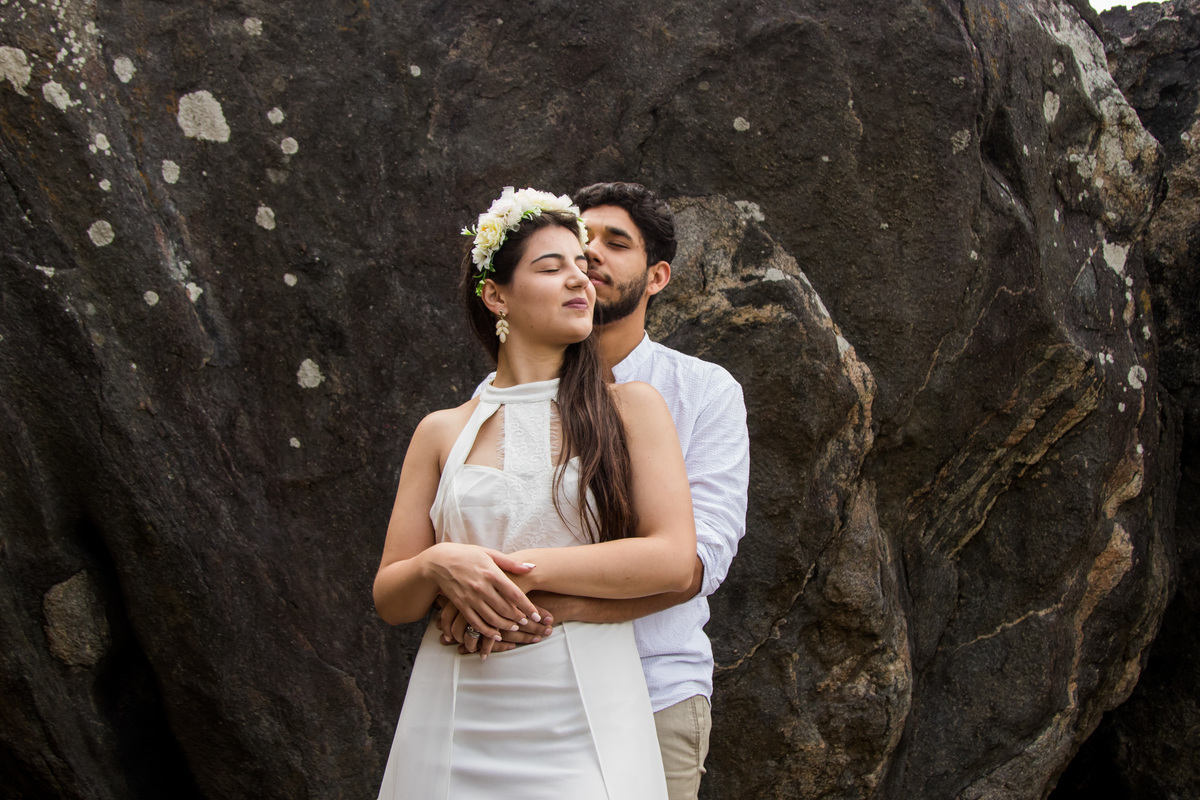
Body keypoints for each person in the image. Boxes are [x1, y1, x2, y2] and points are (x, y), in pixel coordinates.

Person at [373, 187, 696, 799]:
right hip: (457, 708)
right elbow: (392, 597)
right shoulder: (442, 430)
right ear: (497, 295)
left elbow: (673, 558)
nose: (581, 278)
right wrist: (440, 563)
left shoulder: (632, 409)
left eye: (583, 265)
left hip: (586, 707)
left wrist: (507, 577)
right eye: (553, 268)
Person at [440, 182, 750, 800]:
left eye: (617, 243)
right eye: (580, 244)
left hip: (652, 689)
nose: (592, 258)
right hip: (513, 691)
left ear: (657, 277)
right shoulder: (485, 406)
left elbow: (691, 565)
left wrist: (537, 603)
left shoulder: (702, 392)